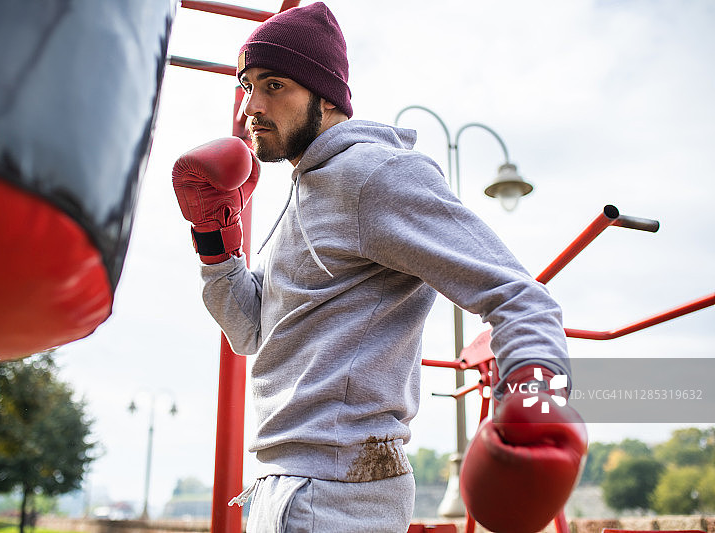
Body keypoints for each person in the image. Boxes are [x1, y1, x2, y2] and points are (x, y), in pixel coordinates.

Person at [171, 3, 587, 532]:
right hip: (281, 484)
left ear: (326, 96)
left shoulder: (374, 175)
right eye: (247, 84)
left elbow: (519, 297)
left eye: (273, 85)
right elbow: (251, 331)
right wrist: (214, 241)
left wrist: (536, 401)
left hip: (340, 491)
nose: (250, 105)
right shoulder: (304, 191)